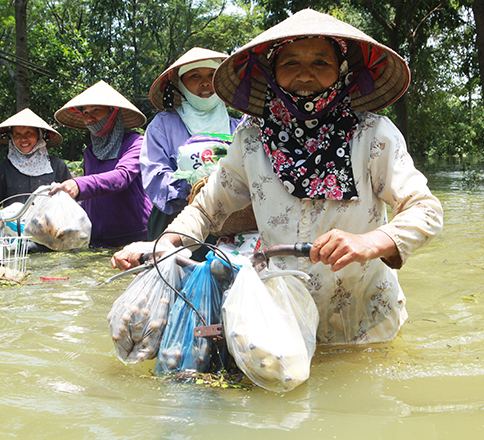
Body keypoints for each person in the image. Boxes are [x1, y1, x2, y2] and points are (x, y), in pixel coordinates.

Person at [113, 9, 444, 345]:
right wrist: (163, 244)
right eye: (290, 64)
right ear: (271, 73)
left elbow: (426, 210)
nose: (305, 75)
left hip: (365, 320)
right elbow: (206, 209)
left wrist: (369, 242)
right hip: (283, 318)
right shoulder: (252, 139)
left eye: (320, 63)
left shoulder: (372, 134)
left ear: (341, 70)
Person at [141, 47, 242, 240]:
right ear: (181, 84)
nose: (205, 83)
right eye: (195, 76)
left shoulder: (238, 127)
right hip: (173, 222)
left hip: (231, 224)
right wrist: (192, 190)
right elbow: (155, 174)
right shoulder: (162, 125)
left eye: (213, 75)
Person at [50, 80, 152, 248]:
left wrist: (78, 184)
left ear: (113, 112)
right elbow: (93, 192)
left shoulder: (135, 143)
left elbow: (122, 177)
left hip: (134, 237)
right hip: (96, 239)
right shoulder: (90, 152)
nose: (90, 118)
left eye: (96, 110)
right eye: (85, 112)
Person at [0, 108, 72, 234]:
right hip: (13, 236)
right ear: (11, 138)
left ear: (39, 135)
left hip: (51, 236)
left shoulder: (57, 166)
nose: (23, 139)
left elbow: (74, 201)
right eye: (17, 134)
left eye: (29, 133)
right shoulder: (3, 169)